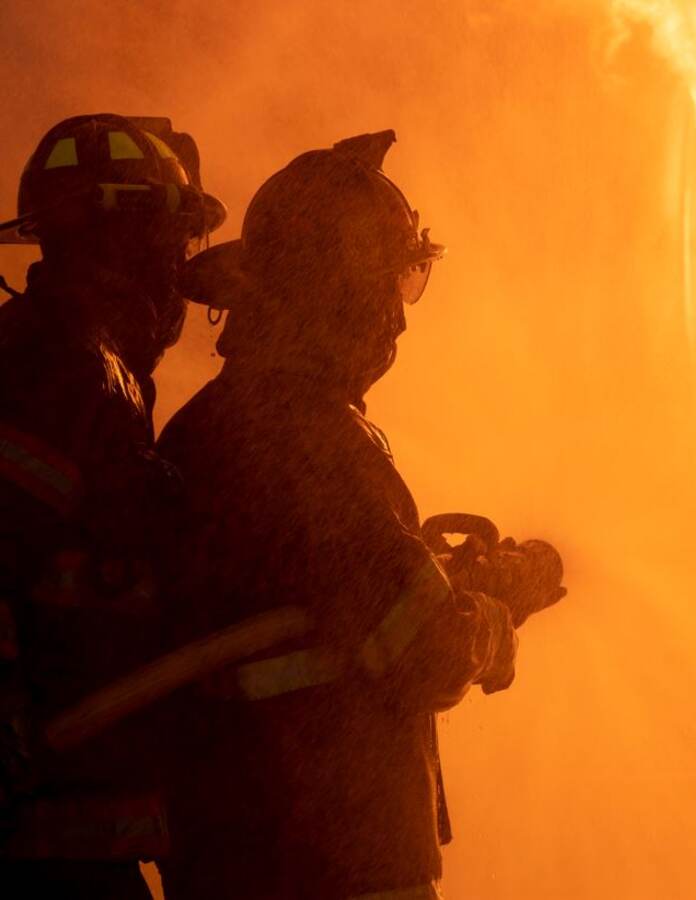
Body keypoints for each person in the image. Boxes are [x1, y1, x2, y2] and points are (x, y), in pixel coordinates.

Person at [157, 130, 564, 900]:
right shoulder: (309, 438)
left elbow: (328, 605)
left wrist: (442, 576)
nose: (399, 322)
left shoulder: (210, 427)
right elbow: (423, 648)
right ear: (334, 291)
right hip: (335, 861)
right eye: (390, 286)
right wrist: (495, 608)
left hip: (236, 857)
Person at [0, 113, 225, 898]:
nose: (180, 279)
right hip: (44, 853)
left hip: (72, 837)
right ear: (124, 242)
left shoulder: (78, 368)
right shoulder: (63, 375)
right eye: (171, 245)